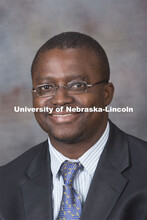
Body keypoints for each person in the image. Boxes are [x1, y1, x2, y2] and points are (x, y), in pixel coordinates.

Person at [0, 32, 147, 220]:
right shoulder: (5, 183)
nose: (60, 100)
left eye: (77, 85)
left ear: (106, 93)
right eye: (46, 87)